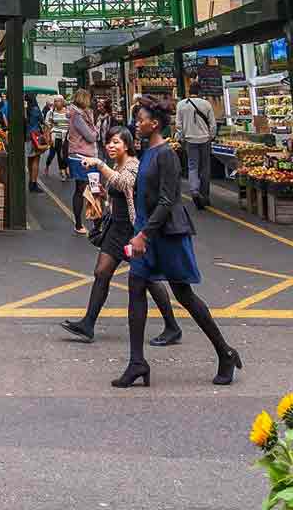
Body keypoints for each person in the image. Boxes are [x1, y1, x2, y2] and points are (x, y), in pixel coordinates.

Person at [112, 100, 241, 389]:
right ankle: (137, 363)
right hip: (146, 231)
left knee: (183, 295)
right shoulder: (147, 152)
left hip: (167, 235)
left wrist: (144, 235)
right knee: (135, 288)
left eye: (141, 119)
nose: (137, 123)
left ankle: (225, 352)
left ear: (154, 124)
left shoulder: (166, 155)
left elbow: (168, 200)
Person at [60, 126, 180, 345]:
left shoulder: (134, 165)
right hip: (116, 228)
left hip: (133, 230)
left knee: (149, 279)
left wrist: (99, 164)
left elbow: (125, 182)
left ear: (127, 145)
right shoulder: (117, 165)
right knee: (102, 272)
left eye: (116, 142)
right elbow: (118, 190)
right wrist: (100, 195)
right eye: (109, 142)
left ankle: (172, 326)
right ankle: (88, 324)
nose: (111, 146)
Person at [65, 94, 100, 233]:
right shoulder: (78, 116)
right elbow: (91, 137)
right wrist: (96, 128)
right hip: (84, 156)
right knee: (90, 189)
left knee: (84, 189)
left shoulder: (77, 114)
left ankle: (85, 223)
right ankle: (86, 224)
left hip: (78, 155)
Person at [175, 92, 217, 210]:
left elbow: (179, 125)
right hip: (204, 140)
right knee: (205, 167)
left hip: (190, 140)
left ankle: (194, 190)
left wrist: (181, 138)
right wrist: (211, 136)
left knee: (192, 166)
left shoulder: (181, 104)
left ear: (189, 92)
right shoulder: (206, 104)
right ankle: (205, 195)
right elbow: (212, 124)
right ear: (199, 92)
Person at [23, 93, 46, 193]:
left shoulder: (24, 110)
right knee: (36, 160)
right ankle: (33, 183)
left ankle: (30, 181)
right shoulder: (35, 110)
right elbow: (42, 121)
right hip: (35, 137)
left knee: (29, 159)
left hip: (27, 137)